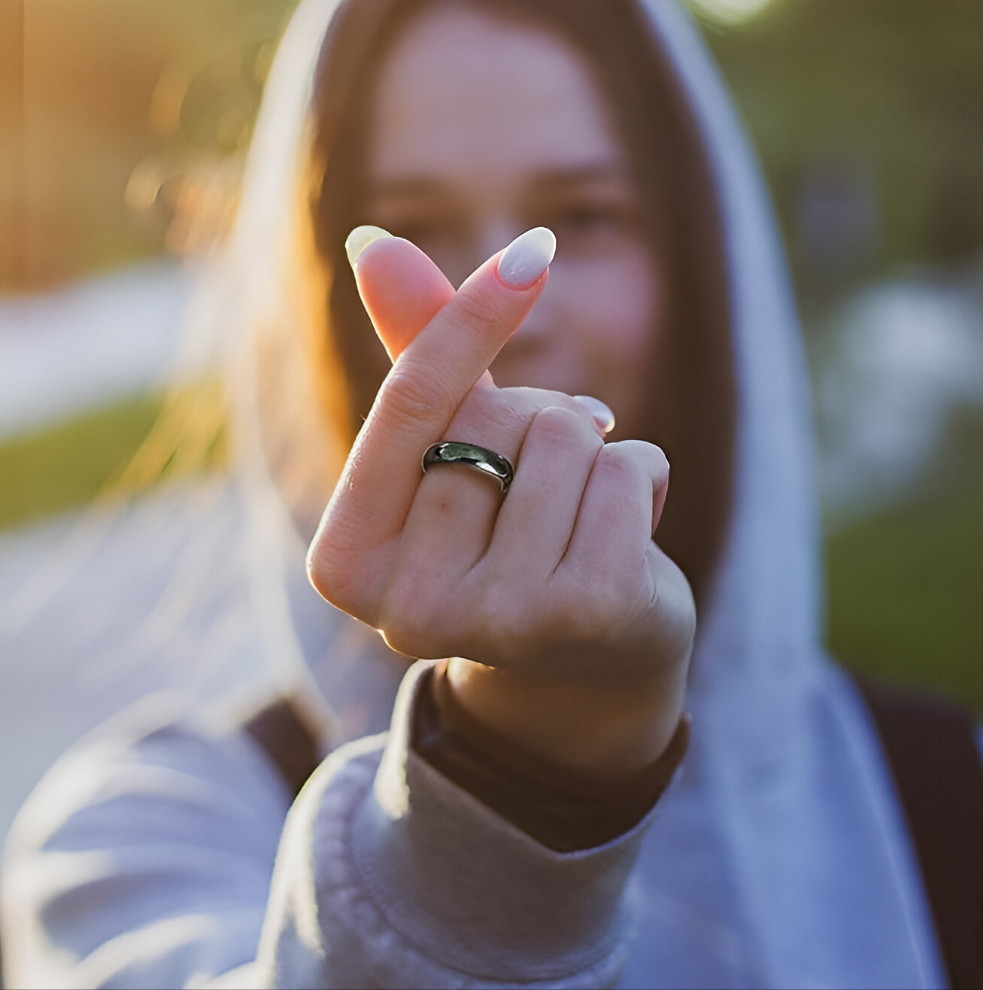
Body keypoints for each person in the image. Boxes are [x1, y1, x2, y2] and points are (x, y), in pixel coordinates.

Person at [2, 0, 980, 987]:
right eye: (414, 230)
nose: (495, 320)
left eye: (582, 222)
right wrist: (509, 789)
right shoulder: (141, 840)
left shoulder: (942, 793)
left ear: (699, 265)